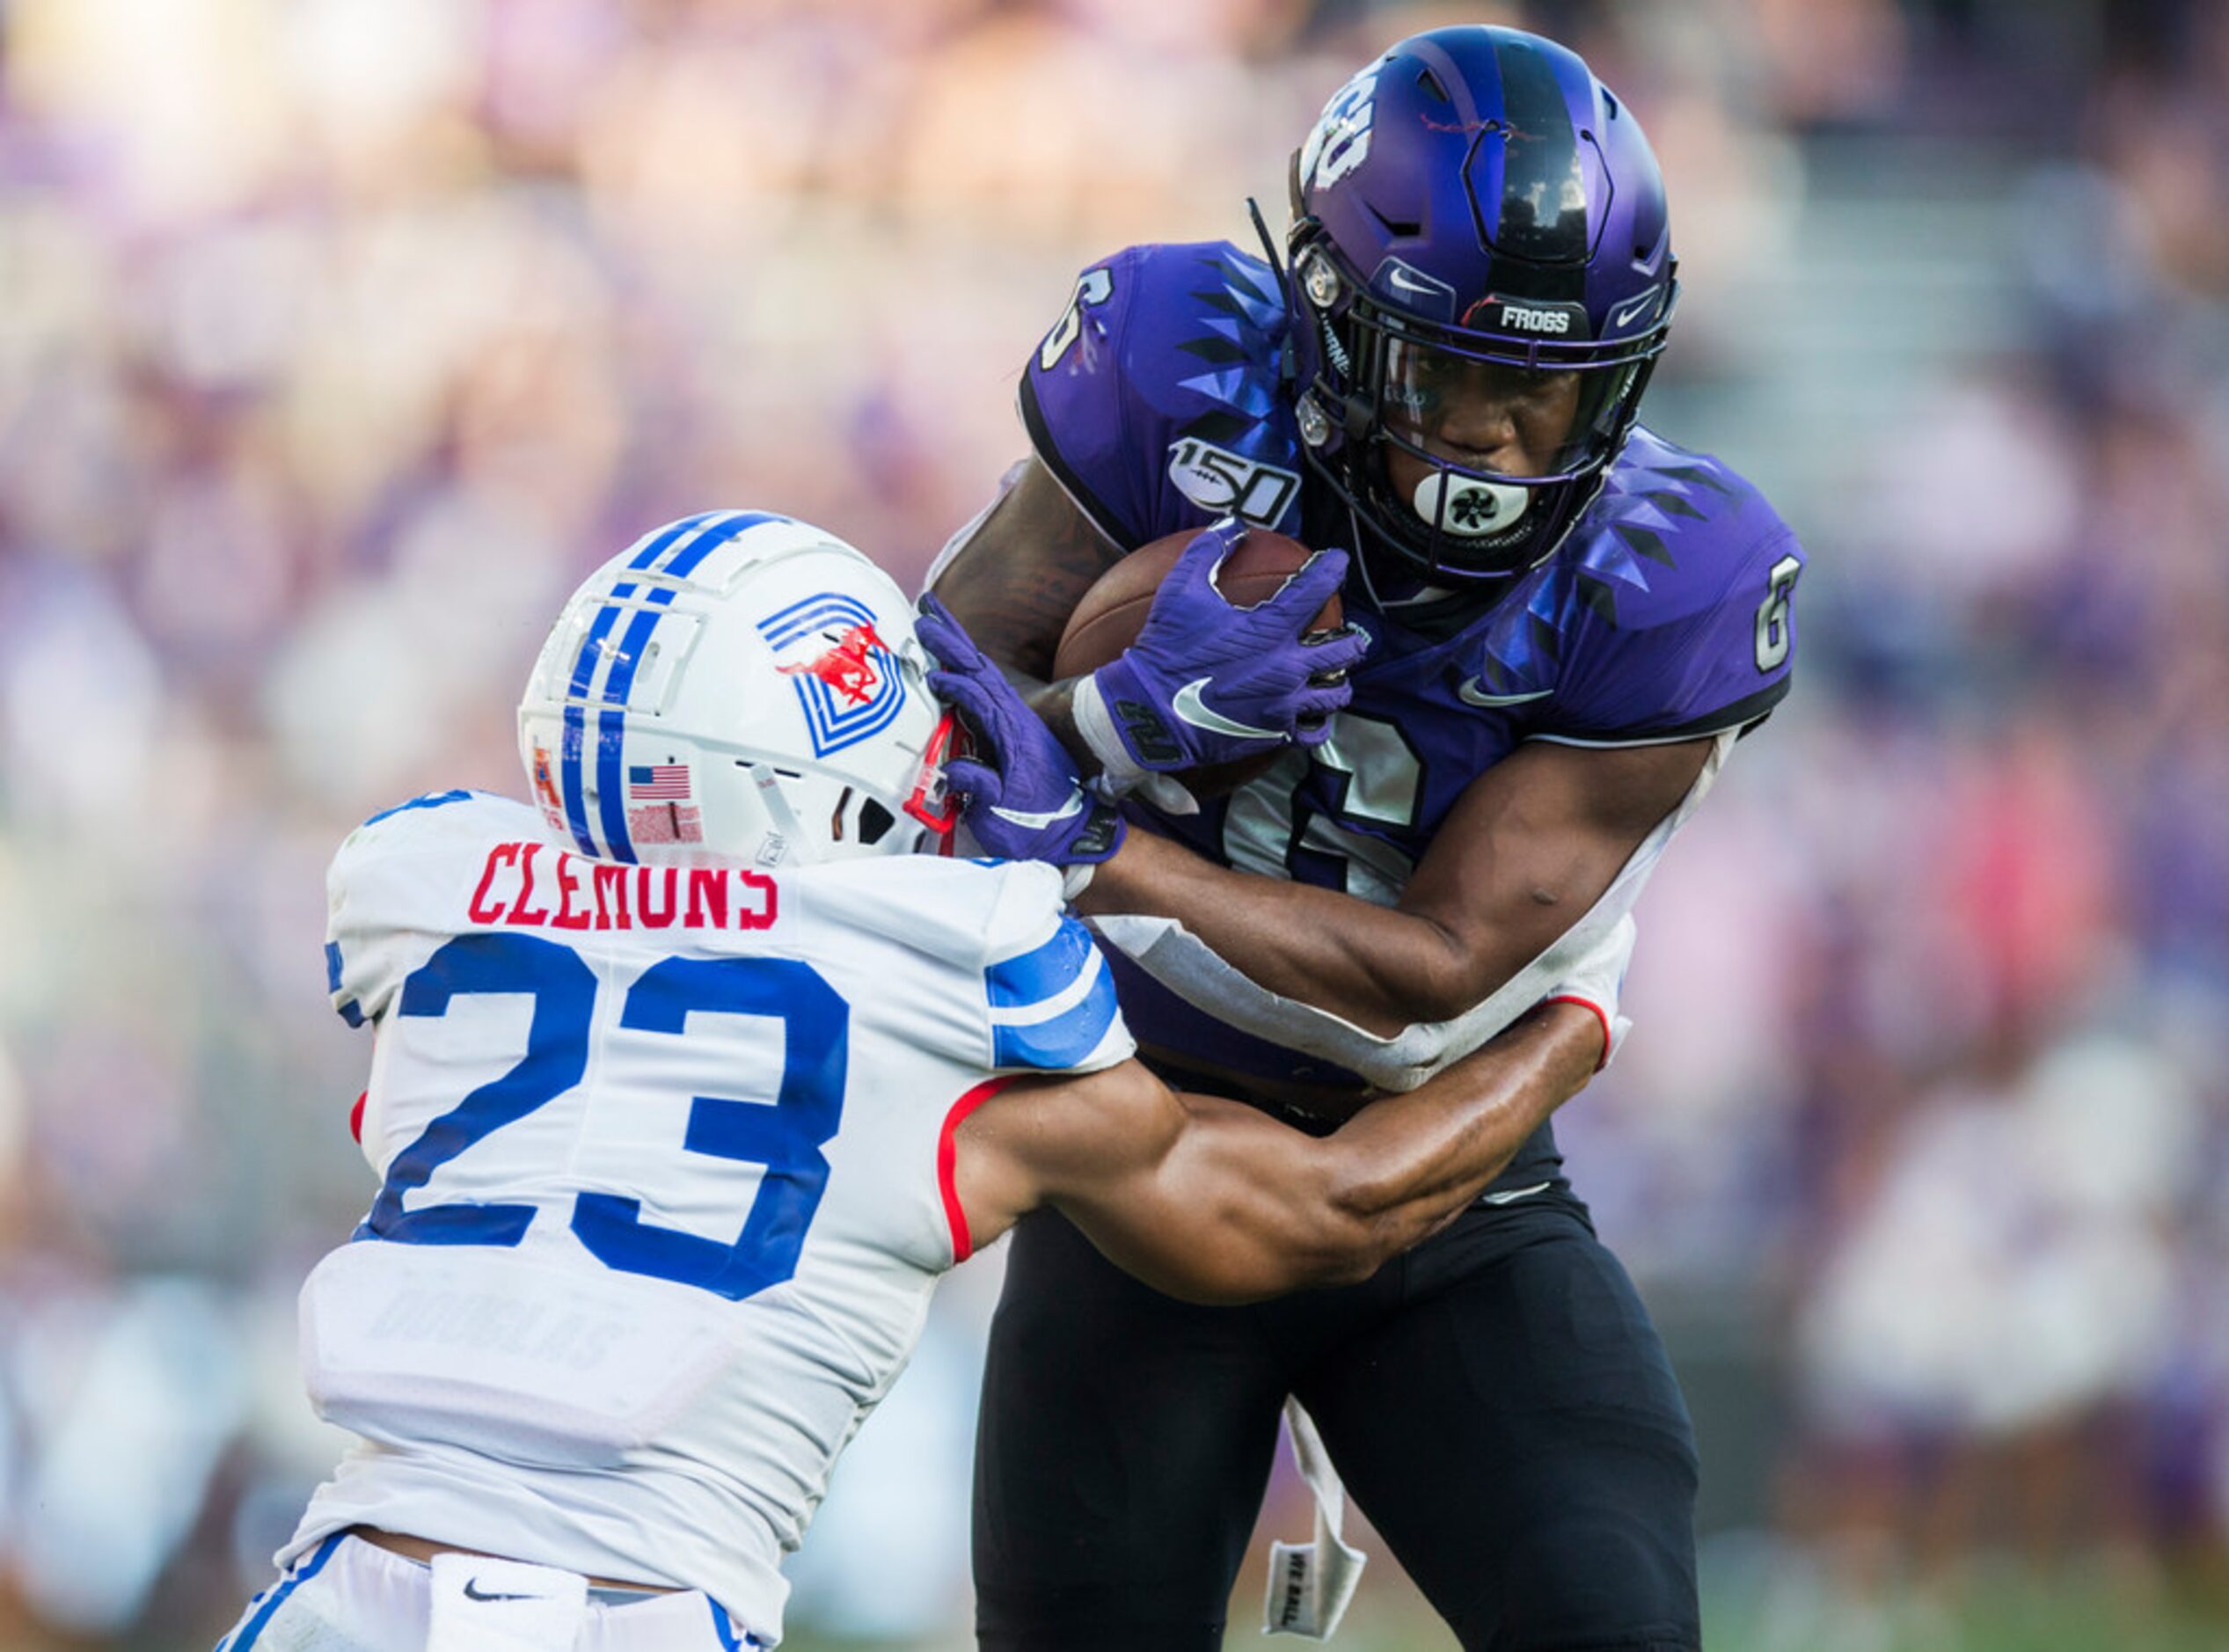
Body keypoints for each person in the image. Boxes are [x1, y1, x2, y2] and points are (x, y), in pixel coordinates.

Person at [218, 509, 1631, 1652]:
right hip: (636, 1610)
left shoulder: (427, 898)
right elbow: (1320, 1209)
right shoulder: (938, 980)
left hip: (336, 1595)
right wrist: (1569, 1015)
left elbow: (732, 891)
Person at [924, 24, 1806, 1652]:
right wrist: (1101, 727)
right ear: (1326, 313)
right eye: (1461, 373)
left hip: (1449, 1192)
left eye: (1555, 392)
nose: (1498, 440)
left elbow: (1435, 965)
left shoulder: (1670, 572)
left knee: (1610, 1622)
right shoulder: (1178, 375)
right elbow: (921, 719)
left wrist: (1096, 834)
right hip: (1134, 1154)